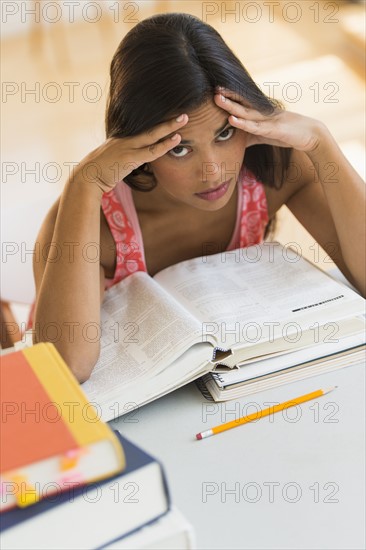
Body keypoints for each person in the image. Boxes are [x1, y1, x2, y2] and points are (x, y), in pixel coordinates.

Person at [32, 13, 366, 383]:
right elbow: (64, 368)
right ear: (136, 144)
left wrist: (322, 143)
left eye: (224, 134)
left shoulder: (276, 170)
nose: (213, 171)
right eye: (180, 150)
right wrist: (83, 182)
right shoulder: (92, 218)